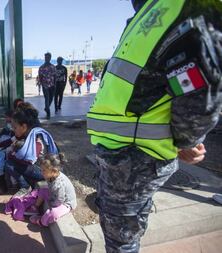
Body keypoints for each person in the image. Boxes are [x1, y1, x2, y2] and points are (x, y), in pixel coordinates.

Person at [86, 1, 222, 252]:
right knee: (122, 228)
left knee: (121, 238)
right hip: (123, 150)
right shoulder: (155, 9)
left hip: (137, 153)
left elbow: (198, 95)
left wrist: (186, 141)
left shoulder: (185, 10)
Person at [0, 102, 58, 195]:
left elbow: (29, 161)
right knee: (10, 162)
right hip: (34, 167)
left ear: (24, 126)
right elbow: (10, 141)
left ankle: (25, 186)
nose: (12, 129)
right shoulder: (23, 134)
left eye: (15, 127)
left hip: (43, 170)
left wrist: (12, 155)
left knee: (10, 164)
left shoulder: (35, 138)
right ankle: (27, 183)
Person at [28, 154, 77, 227]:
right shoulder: (51, 176)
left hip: (66, 203)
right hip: (55, 195)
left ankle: (42, 222)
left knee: (54, 213)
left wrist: (52, 205)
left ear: (54, 171)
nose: (41, 172)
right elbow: (52, 189)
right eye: (41, 170)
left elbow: (60, 201)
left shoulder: (59, 184)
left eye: (44, 170)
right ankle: (36, 207)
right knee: (42, 190)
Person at [38, 52, 56, 119]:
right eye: (46, 57)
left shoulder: (53, 67)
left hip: (52, 85)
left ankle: (46, 107)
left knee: (51, 98)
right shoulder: (41, 67)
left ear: (50, 58)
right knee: (47, 98)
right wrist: (41, 83)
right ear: (44, 58)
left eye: (48, 57)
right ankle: (48, 113)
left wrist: (55, 85)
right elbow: (40, 77)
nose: (47, 58)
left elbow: (55, 76)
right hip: (45, 85)